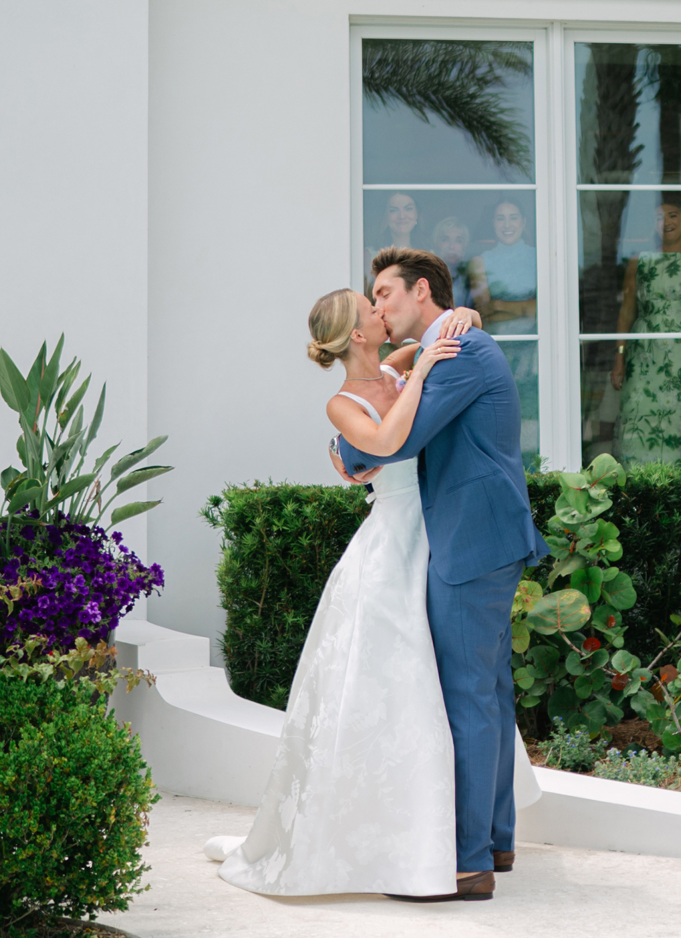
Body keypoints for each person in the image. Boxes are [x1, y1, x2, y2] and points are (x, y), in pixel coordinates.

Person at [208, 288, 481, 898]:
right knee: (394, 681)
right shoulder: (343, 403)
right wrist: (424, 371)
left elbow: (463, 327)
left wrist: (461, 318)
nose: (384, 313)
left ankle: (439, 836)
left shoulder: (398, 362)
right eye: (372, 309)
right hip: (390, 545)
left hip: (435, 533)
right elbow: (385, 444)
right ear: (358, 334)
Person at [345, 249, 547, 899]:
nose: (377, 307)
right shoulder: (448, 341)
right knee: (487, 690)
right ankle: (496, 840)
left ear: (421, 290)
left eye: (384, 293)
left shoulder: (461, 349)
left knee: (468, 698)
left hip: (473, 541)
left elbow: (398, 442)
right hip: (477, 536)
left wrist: (345, 443)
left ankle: (467, 864)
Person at [609, 198, 681, 465]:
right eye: (660, 218)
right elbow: (626, 312)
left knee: (678, 427)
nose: (667, 222)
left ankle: (674, 499)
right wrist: (619, 358)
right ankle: (636, 498)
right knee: (635, 424)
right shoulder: (639, 262)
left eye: (673, 215)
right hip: (643, 357)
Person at [466, 200, 539, 459]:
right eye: (500, 218)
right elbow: (484, 311)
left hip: (535, 350)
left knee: (533, 415)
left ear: (524, 222)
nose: (507, 224)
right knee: (498, 416)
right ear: (493, 224)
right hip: (498, 350)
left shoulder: (539, 256)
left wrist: (501, 305)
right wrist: (526, 306)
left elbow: (541, 310)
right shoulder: (479, 261)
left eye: (513, 217)